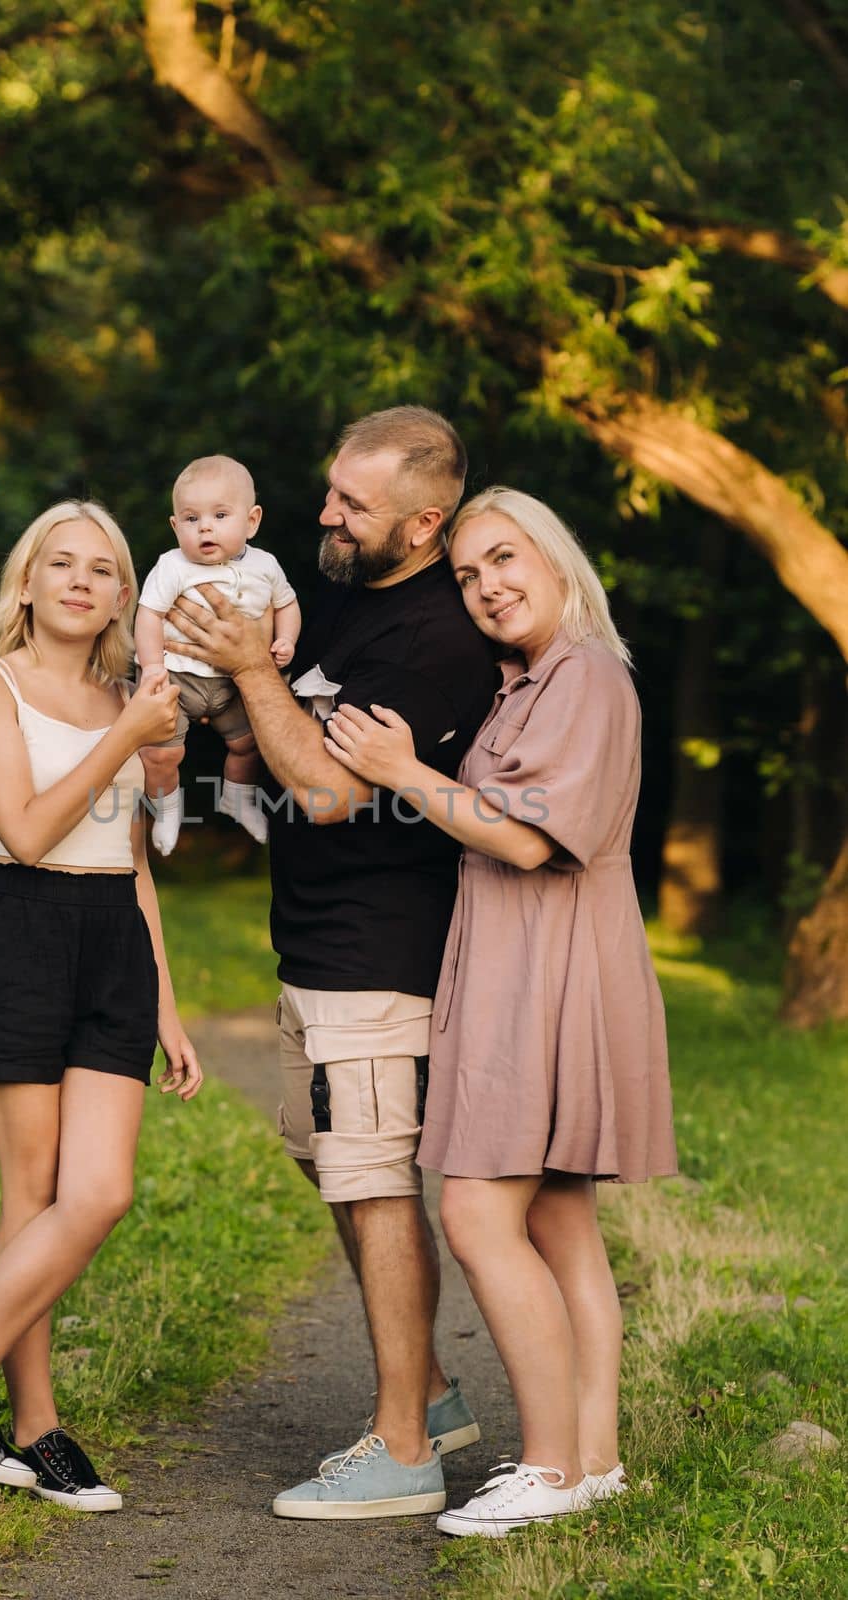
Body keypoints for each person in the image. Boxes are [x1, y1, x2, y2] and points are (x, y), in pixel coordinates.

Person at [165, 407, 501, 1520]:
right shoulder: (349, 600)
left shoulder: (437, 639)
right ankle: (436, 1394)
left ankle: (402, 1448)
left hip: (382, 950)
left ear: (424, 521)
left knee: (373, 1180)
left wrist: (248, 670)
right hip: (312, 941)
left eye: (351, 504)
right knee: (327, 1161)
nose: (325, 515)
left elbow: (321, 786)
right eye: (329, 492)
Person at [323, 486, 676, 1538]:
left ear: (556, 557)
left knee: (477, 1212)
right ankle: (591, 1460)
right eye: (468, 575)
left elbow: (526, 838)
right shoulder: (528, 681)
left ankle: (553, 1462)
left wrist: (400, 770)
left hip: (548, 965)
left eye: (502, 559)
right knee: (559, 1221)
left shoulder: (585, 676)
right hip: (528, 958)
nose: (486, 587)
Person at [0, 500, 203, 1512]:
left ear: (123, 593)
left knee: (99, 1192)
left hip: (112, 942)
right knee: (32, 1192)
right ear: (25, 582)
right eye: (59, 563)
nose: (80, 580)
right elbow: (27, 832)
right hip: (20, 932)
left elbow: (128, 859)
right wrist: (125, 734)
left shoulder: (131, 696)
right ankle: (33, 1425)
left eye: (102, 567)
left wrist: (165, 1003)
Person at [134, 454, 301, 854]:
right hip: (180, 676)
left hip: (237, 683)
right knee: (161, 752)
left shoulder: (266, 565)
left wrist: (286, 640)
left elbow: (286, 605)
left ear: (252, 521)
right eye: (191, 519)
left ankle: (238, 799)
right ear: (175, 527)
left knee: (248, 746)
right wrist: (152, 665)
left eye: (220, 515)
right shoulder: (172, 566)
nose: (205, 526)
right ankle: (167, 807)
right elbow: (148, 614)